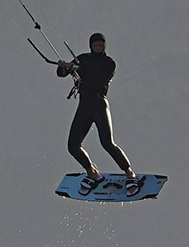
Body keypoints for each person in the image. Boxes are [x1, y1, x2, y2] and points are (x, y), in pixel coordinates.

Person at [57, 32, 140, 197]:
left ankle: (130, 174)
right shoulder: (83, 59)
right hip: (84, 107)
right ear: (91, 46)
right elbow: (61, 74)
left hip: (99, 106)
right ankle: (92, 172)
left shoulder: (109, 63)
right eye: (95, 45)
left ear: (104, 46)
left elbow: (97, 81)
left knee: (107, 143)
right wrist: (64, 66)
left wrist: (77, 69)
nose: (98, 48)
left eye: (101, 45)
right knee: (73, 146)